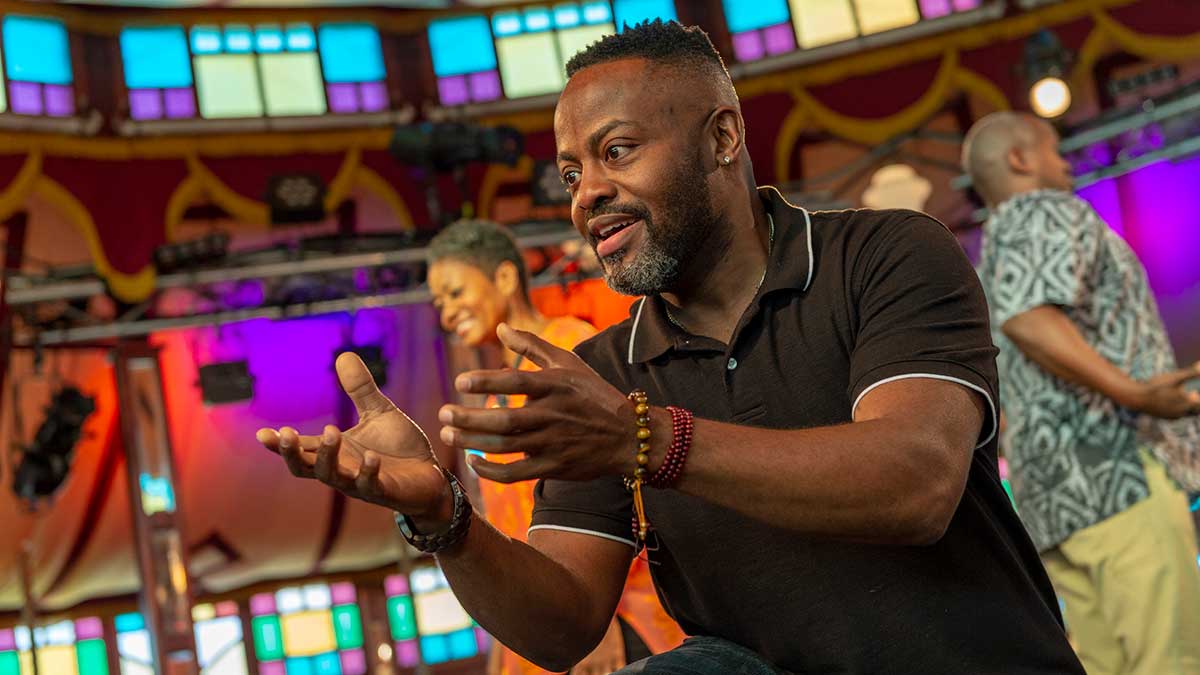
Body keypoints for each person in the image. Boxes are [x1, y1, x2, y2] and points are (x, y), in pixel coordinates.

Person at [257, 21, 1084, 674]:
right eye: (571, 173)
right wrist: (442, 517)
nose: (589, 197)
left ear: (722, 138)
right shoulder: (603, 372)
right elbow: (563, 623)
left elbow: (914, 482)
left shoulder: (886, 253)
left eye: (617, 151)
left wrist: (644, 438)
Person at [965, 111, 1200, 675]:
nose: (1067, 162)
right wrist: (1138, 396)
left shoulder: (991, 247)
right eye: (1054, 149)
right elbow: (1030, 320)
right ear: (1021, 160)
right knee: (1168, 662)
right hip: (1116, 478)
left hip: (1055, 501)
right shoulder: (1043, 210)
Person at [425, 219, 683, 675]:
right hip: (544, 625)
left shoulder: (572, 349)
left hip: (608, 620)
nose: (446, 313)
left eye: (456, 292)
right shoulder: (495, 396)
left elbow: (625, 494)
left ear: (504, 277)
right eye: (439, 301)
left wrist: (598, 625)